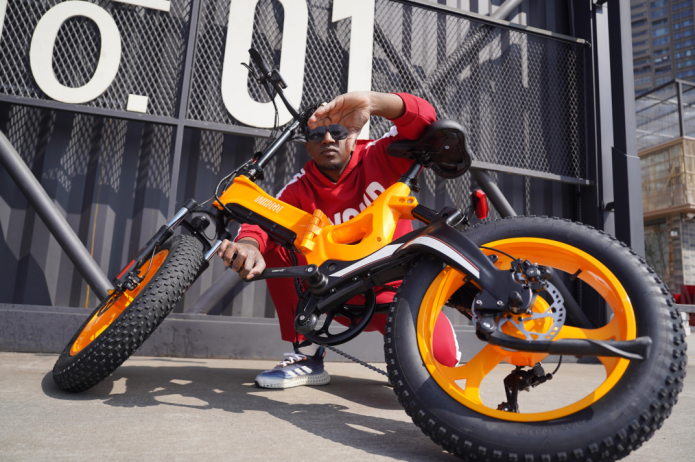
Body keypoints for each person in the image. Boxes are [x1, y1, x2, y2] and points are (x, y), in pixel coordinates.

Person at [217, 91, 461, 388]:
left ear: (352, 137)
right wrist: (249, 244)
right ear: (307, 146)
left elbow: (425, 120)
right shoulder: (298, 189)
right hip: (336, 294)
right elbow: (262, 224)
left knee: (440, 366)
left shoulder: (381, 154)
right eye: (316, 135)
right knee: (279, 243)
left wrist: (373, 103)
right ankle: (305, 354)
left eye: (337, 131)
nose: (328, 139)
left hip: (396, 289)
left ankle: (412, 356)